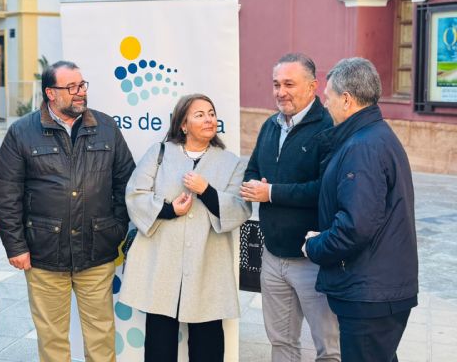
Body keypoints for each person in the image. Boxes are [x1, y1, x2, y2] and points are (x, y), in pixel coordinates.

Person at [0, 60, 135, 362]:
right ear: (50, 93)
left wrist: (115, 229)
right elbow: (6, 193)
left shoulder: (106, 127)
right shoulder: (22, 133)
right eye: (71, 87)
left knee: (101, 335)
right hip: (44, 254)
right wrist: (16, 246)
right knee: (52, 340)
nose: (80, 92)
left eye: (82, 85)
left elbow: (126, 183)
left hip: (97, 252)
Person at [120, 94, 251, 362]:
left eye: (212, 113)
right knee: (159, 346)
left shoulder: (231, 162)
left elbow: (240, 208)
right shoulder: (160, 153)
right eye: (200, 114)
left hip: (208, 268)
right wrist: (169, 210)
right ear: (183, 124)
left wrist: (206, 191)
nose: (209, 119)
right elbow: (135, 194)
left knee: (208, 346)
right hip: (162, 268)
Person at [304, 57, 418, 362]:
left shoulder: (362, 147)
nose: (325, 105)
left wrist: (315, 245)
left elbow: (356, 226)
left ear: (346, 99)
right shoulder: (371, 136)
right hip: (377, 288)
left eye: (327, 97)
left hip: (369, 292)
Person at [241, 53, 340, 362]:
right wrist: (254, 185)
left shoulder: (329, 128)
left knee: (329, 347)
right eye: (276, 84)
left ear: (313, 86)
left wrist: (271, 193)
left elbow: (324, 190)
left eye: (288, 84)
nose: (280, 92)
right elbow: (252, 170)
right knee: (281, 342)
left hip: (312, 258)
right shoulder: (270, 125)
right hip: (272, 256)